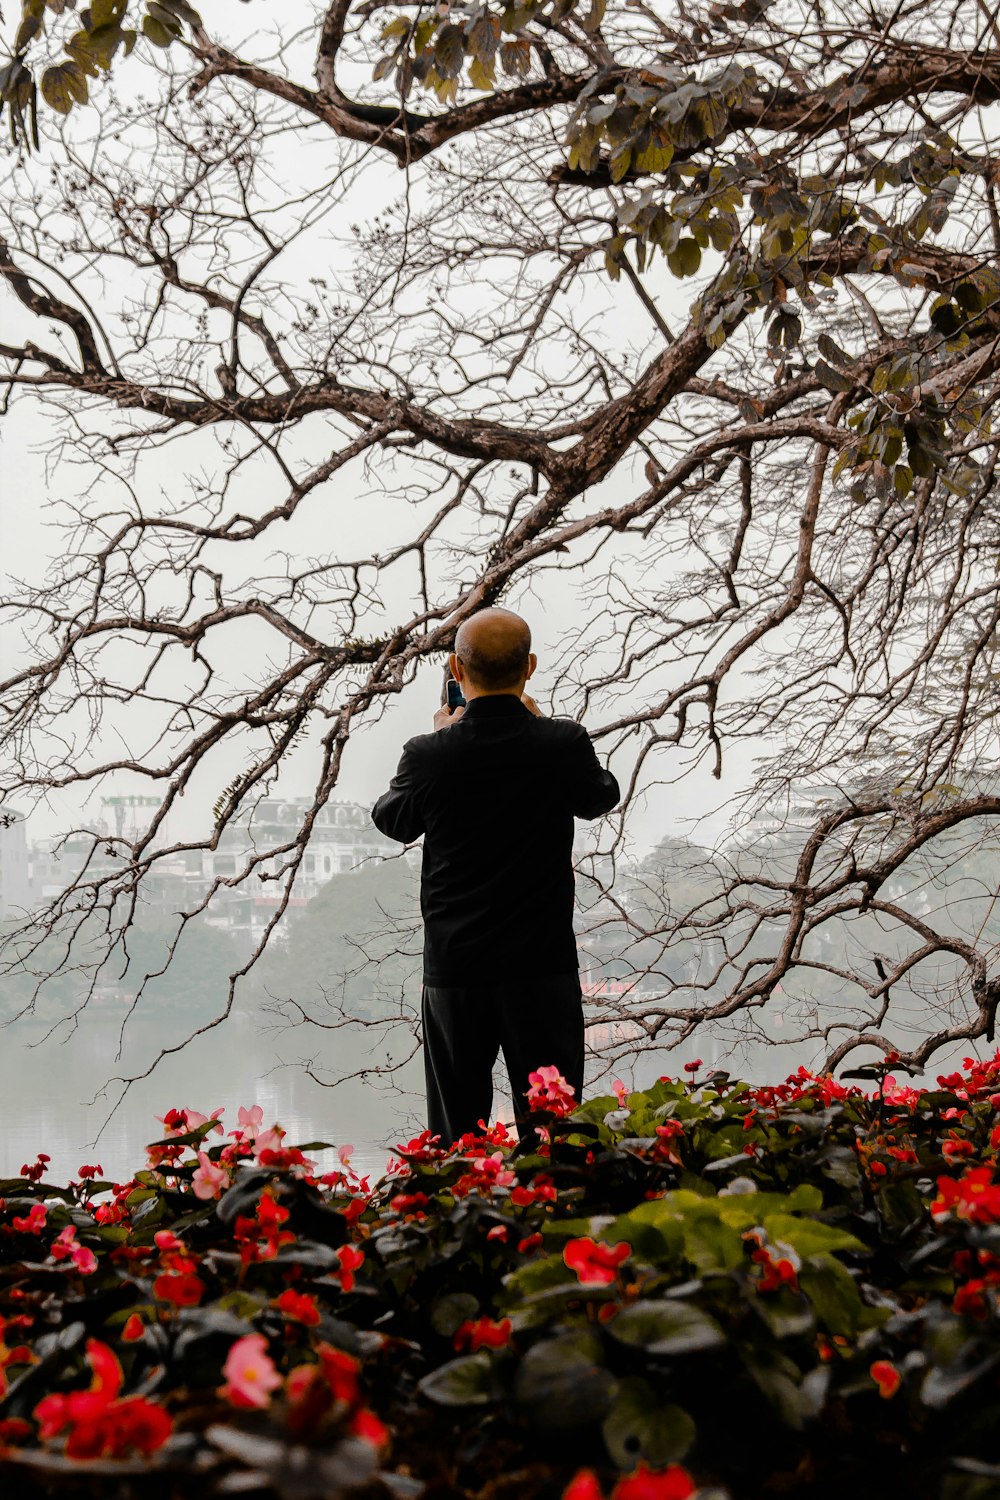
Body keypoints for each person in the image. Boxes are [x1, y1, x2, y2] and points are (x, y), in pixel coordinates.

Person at [371, 607, 620, 1143]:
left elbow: (392, 821)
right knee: (554, 1129)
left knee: (456, 1135)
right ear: (529, 666)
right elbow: (601, 795)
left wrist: (442, 737)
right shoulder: (561, 744)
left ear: (456, 673)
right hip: (541, 964)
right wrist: (539, 723)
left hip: (456, 967)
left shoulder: (430, 756)